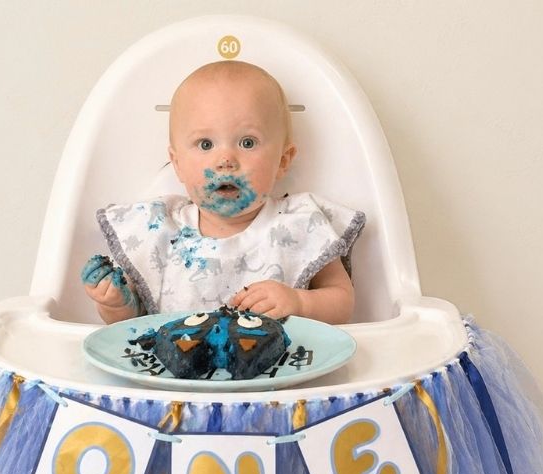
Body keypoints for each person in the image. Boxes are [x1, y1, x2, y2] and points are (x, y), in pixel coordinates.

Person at [82, 60, 365, 325]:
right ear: (177, 164)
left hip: (277, 370)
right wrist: (117, 305)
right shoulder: (158, 229)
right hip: (178, 374)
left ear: (282, 160)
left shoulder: (301, 223)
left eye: (247, 142)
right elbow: (133, 325)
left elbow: (342, 299)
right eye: (205, 144)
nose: (225, 159)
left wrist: (299, 302)